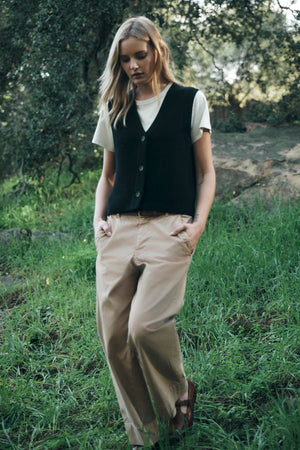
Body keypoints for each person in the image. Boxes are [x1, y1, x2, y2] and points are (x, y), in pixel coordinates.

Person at [92, 16, 215, 449]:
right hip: (118, 228)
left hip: (169, 227)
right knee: (113, 338)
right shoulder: (114, 106)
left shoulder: (189, 101)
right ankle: (144, 436)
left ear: (156, 50)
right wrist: (98, 220)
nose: (133, 67)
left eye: (140, 56)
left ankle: (179, 393)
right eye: (125, 60)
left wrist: (197, 224)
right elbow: (107, 178)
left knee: (144, 327)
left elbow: (206, 173)